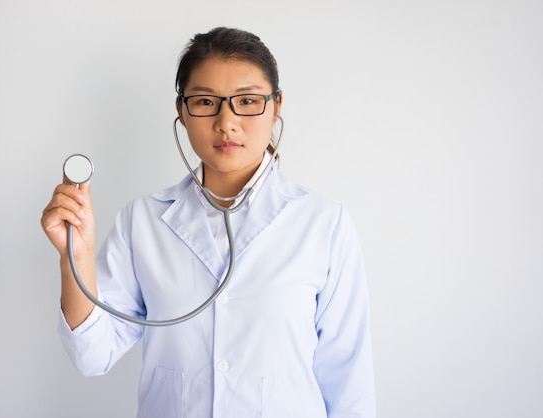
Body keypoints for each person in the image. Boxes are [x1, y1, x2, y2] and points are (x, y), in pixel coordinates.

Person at [41, 27, 376, 418]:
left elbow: (349, 381)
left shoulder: (323, 223)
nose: (226, 121)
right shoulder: (143, 221)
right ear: (182, 111)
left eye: (247, 101)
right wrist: (74, 256)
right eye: (205, 101)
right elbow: (92, 355)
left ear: (276, 105)